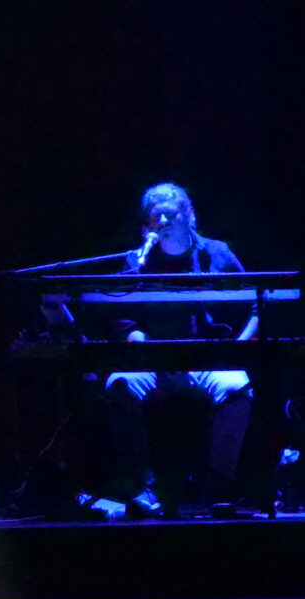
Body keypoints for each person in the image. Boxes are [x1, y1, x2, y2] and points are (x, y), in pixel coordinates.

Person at [101, 182, 256, 515]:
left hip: (209, 359)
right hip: (153, 363)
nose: (164, 224)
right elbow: (122, 320)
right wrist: (147, 347)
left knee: (239, 388)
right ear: (146, 227)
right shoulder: (134, 262)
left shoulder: (218, 253)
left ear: (189, 216)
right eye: (156, 219)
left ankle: (218, 484)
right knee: (118, 385)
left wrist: (236, 349)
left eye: (172, 215)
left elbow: (255, 305)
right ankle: (142, 485)